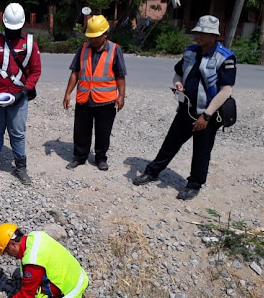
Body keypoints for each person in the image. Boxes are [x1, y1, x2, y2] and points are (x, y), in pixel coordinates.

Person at [132, 15, 236, 200]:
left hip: (207, 113)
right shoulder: (190, 52)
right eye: (197, 32)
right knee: (170, 143)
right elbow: (178, 74)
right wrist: (178, 84)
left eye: (203, 33)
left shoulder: (225, 58)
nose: (198, 36)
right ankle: (153, 171)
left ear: (214, 36)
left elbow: (226, 90)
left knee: (202, 150)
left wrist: (207, 115)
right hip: (186, 109)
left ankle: (194, 184)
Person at [0, 3, 41, 185]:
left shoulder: (29, 44)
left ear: (22, 25)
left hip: (18, 97)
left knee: (18, 133)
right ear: (4, 24)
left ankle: (21, 167)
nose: (12, 31)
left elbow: (35, 71)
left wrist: (22, 93)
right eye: (9, 28)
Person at [63, 15, 126, 171]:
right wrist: (67, 93)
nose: (93, 40)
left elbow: (120, 76)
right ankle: (79, 157)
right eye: (91, 37)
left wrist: (121, 96)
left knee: (103, 132)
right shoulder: (83, 49)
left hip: (106, 100)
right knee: (80, 131)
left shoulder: (114, 50)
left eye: (96, 37)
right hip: (84, 99)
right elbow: (75, 73)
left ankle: (100, 158)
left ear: (105, 34)